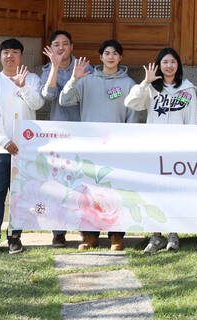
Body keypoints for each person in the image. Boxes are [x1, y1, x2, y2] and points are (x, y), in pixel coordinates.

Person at [59, 39, 141, 251]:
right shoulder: (86, 80)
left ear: (120, 57)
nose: (111, 57)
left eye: (115, 53)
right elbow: (64, 100)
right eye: (107, 53)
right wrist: (74, 79)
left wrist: (127, 144)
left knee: (115, 192)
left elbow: (133, 117)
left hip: (116, 148)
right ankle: (90, 236)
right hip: (90, 146)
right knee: (89, 191)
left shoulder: (129, 84)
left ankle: (116, 235)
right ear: (101, 56)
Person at [126, 47, 197, 254]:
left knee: (173, 190)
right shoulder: (151, 88)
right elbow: (130, 103)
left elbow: (191, 121)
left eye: (173, 62)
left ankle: (173, 234)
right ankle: (156, 235)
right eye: (165, 62)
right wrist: (145, 82)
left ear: (178, 65)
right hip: (154, 147)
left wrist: (189, 148)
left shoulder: (188, 89)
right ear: (159, 65)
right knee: (155, 190)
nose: (169, 66)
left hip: (177, 149)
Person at [0, 38, 44, 254]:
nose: (10, 56)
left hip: (24, 149)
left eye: (15, 52)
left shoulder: (32, 79)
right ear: (0, 56)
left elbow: (38, 104)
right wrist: (4, 141)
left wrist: (23, 86)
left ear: (21, 56)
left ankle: (15, 237)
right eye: (6, 52)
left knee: (19, 194)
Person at [39, 29, 83, 248]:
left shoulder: (84, 67)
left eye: (65, 43)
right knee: (58, 183)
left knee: (82, 182)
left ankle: (85, 227)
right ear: (51, 48)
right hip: (57, 134)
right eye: (56, 44)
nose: (61, 48)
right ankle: (58, 231)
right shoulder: (47, 70)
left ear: (71, 46)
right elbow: (48, 96)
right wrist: (55, 67)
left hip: (82, 133)